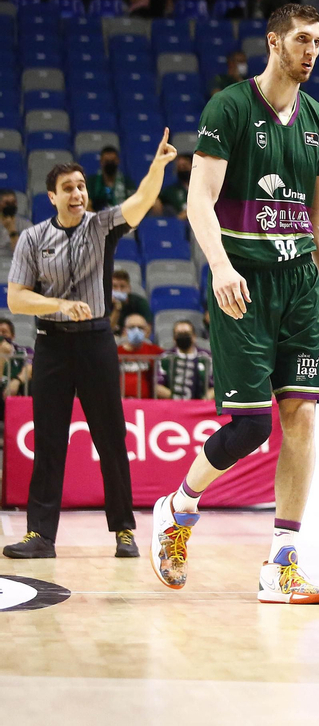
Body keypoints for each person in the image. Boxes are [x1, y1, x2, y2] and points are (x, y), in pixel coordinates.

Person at [148, 4, 319, 604]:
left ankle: (282, 563)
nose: (311, 50)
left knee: (302, 416)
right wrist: (219, 266)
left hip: (300, 288)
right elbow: (200, 198)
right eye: (302, 39)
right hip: (243, 280)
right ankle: (179, 505)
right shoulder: (230, 107)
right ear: (274, 42)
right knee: (249, 426)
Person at [1, 137, 175, 561]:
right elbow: (16, 299)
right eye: (68, 188)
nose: (78, 193)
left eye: (81, 186)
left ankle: (124, 531)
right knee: (49, 441)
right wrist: (59, 305)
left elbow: (140, 201)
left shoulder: (102, 225)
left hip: (97, 343)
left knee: (112, 438)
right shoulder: (32, 238)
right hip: (51, 345)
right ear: (51, 196)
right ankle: (40, 535)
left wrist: (158, 169)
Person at [157, 319, 213, 400]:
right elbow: (158, 387)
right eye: (179, 334)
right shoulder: (165, 358)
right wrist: (177, 399)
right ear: (174, 338)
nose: (183, 336)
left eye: (186, 333)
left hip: (201, 405)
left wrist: (202, 401)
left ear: (194, 337)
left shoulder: (207, 357)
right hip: (172, 404)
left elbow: (215, 386)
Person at [118, 313, 164, 399]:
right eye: (131, 327)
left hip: (146, 403)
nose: (136, 331)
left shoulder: (154, 351)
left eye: (140, 328)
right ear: (124, 331)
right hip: (121, 402)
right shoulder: (116, 352)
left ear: (147, 331)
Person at [87, 146, 136, 210]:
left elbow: (134, 205)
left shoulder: (127, 182)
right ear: (101, 162)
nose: (110, 163)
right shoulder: (92, 182)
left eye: (112, 160)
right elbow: (87, 205)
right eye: (107, 161)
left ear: (118, 161)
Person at [109, 269, 153, 334]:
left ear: (129, 288)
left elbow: (148, 330)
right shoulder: (104, 304)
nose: (119, 290)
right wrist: (117, 309)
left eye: (122, 287)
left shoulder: (140, 303)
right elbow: (108, 331)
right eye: (115, 286)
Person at [158, 153, 193, 218]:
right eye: (179, 167)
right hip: (182, 224)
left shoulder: (203, 187)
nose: (182, 170)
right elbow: (157, 200)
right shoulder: (172, 190)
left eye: (184, 166)